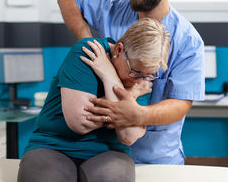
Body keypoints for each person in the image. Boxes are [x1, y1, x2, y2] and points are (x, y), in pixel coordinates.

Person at [57, 0, 205, 164]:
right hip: (103, 152)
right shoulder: (114, 7)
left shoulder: (187, 41)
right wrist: (87, 41)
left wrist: (138, 114)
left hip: (154, 156)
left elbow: (181, 103)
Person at [17, 18, 171, 182]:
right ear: (119, 49)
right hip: (52, 146)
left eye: (148, 75)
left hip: (108, 152)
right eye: (135, 72)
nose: (140, 80)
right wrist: (127, 99)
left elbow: (128, 135)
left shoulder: (141, 78)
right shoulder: (88, 51)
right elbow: (80, 123)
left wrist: (110, 76)